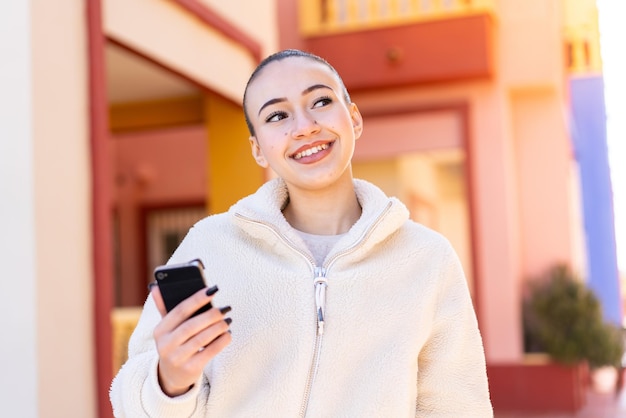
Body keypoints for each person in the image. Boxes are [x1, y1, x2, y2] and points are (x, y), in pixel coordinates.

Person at [110, 49, 493, 417]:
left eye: (321, 102)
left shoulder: (426, 257)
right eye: (277, 115)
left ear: (354, 119)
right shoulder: (210, 245)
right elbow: (133, 402)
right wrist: (170, 382)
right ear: (258, 149)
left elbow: (457, 406)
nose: (305, 126)